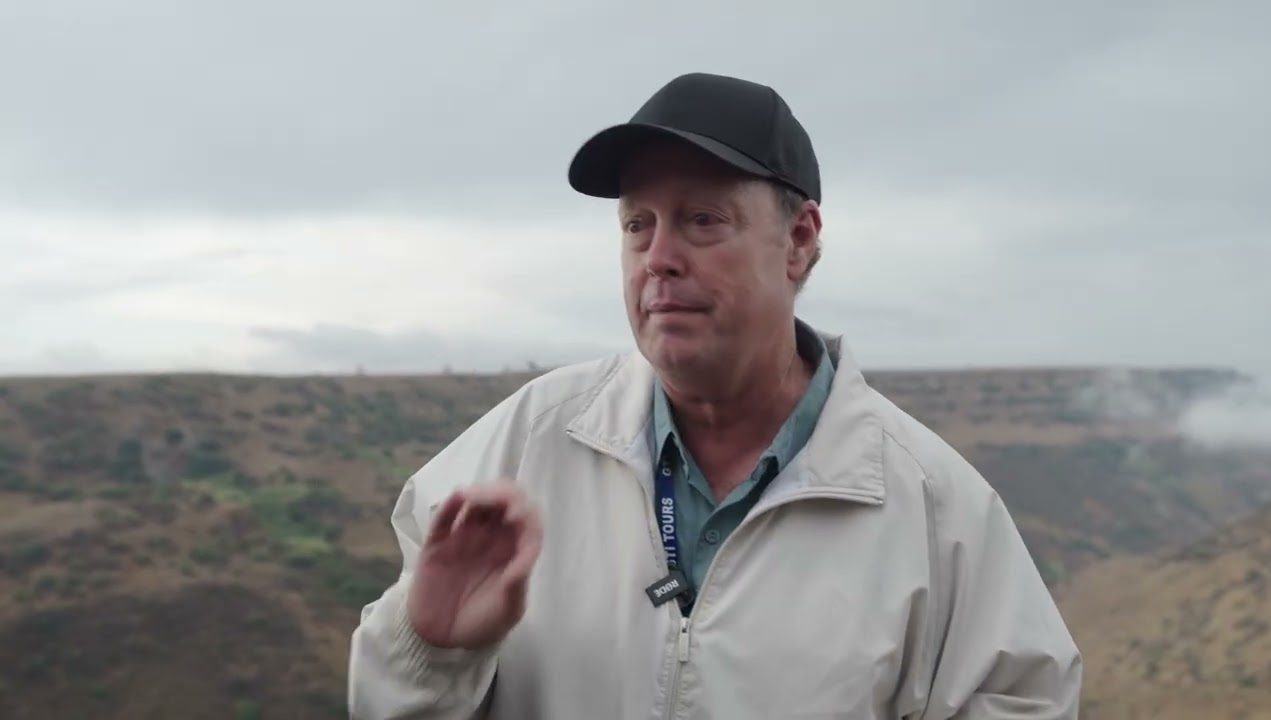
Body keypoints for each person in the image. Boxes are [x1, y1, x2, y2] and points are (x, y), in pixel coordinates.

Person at [347, 72, 1083, 719]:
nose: (659, 259)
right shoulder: (521, 449)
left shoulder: (934, 510)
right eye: (639, 225)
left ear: (798, 240)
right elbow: (385, 702)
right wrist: (431, 650)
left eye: (703, 221)